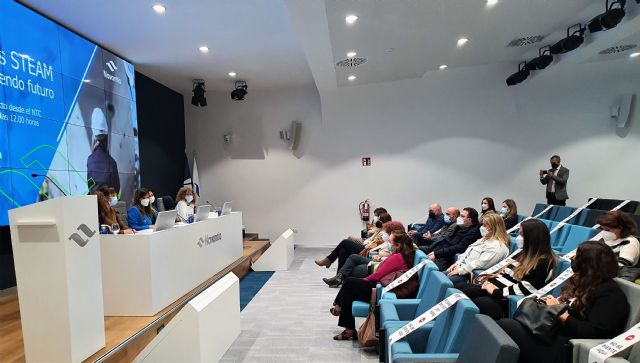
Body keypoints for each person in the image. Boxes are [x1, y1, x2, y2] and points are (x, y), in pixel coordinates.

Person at [497, 240, 630, 363]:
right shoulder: (589, 284)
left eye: (577, 256)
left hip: (567, 348)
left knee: (506, 326)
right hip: (555, 335)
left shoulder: (610, 294)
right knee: (508, 325)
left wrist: (560, 313)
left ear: (588, 263)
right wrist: (556, 305)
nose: (572, 258)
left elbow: (595, 332)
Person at [456, 219, 557, 320]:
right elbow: (506, 275)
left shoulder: (544, 261)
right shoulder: (522, 253)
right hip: (494, 289)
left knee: (475, 302)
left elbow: (528, 288)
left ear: (532, 238)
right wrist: (489, 281)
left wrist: (496, 291)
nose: (518, 238)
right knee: (460, 289)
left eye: (522, 234)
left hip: (506, 299)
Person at [329, 231, 417, 340]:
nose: (388, 244)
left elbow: (377, 275)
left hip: (381, 291)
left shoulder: (397, 258)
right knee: (349, 289)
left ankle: (341, 312)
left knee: (350, 282)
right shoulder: (401, 256)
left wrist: (363, 280)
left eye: (390, 242)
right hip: (383, 288)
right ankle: (347, 326)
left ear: (398, 246)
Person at [322, 220, 405, 287]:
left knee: (345, 244)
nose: (385, 234)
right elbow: (372, 242)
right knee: (345, 252)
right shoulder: (391, 242)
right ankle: (338, 277)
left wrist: (378, 257)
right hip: (372, 254)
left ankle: (337, 274)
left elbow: (388, 262)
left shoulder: (395, 248)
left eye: (387, 232)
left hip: (374, 262)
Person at [446, 213, 510, 284]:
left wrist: (460, 270)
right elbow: (467, 252)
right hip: (462, 268)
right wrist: (457, 263)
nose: (482, 227)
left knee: (440, 281)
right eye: (482, 224)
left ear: (494, 228)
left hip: (470, 276)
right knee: (436, 276)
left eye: (485, 225)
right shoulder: (484, 239)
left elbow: (480, 264)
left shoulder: (498, 246)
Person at [315, 212, 392, 270]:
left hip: (367, 250)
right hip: (365, 246)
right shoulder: (379, 230)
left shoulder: (385, 234)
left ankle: (328, 260)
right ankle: (339, 277)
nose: (378, 222)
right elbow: (370, 239)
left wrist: (368, 242)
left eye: (380, 220)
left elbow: (375, 245)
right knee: (343, 250)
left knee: (345, 242)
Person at [87, 108, 120, 193]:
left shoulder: (90, 160)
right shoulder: (112, 162)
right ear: (106, 138)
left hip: (94, 202)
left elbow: (90, 185)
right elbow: (117, 189)